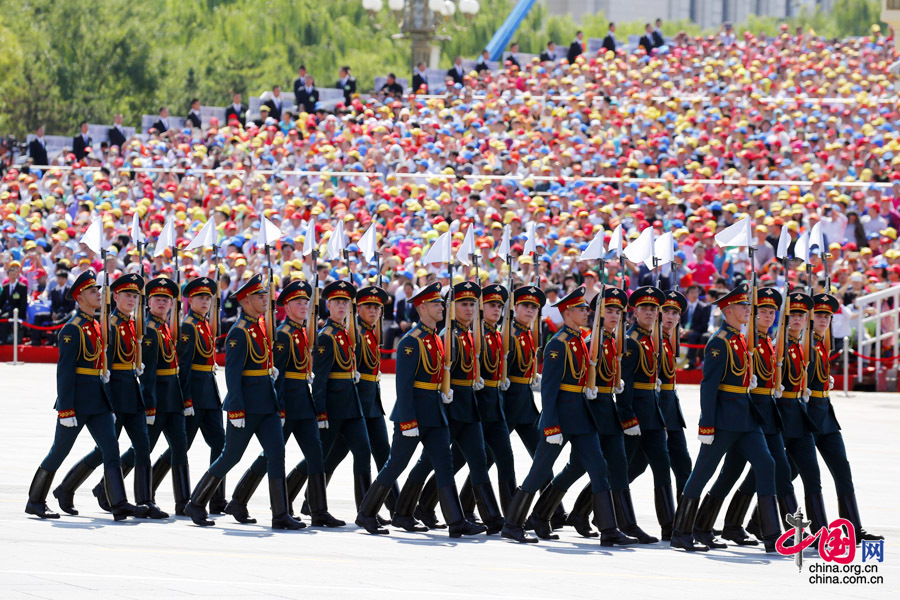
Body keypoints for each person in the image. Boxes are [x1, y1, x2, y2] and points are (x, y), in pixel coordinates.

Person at [500, 286, 634, 546]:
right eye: (581, 309)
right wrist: (550, 425)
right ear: (567, 312)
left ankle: (608, 529)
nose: (587, 313)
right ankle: (512, 524)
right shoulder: (557, 345)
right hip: (560, 418)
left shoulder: (579, 340)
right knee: (539, 472)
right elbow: (549, 391)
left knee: (599, 468)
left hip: (582, 417)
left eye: (586, 308)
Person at [355, 282, 487, 538]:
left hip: (435, 413)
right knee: (396, 465)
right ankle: (366, 513)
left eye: (441, 302)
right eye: (437, 303)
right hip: (414, 415)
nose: (441, 307)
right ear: (422, 307)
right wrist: (407, 420)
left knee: (444, 464)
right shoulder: (410, 341)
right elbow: (404, 387)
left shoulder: (435, 338)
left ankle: (455, 521)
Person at [183, 274, 302, 529]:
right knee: (230, 456)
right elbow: (233, 375)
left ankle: (280, 514)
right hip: (246, 406)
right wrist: (236, 409)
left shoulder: (259, 326)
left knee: (276, 454)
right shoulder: (239, 332)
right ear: (247, 300)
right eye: (260, 297)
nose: (265, 300)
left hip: (266, 404)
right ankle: (196, 502)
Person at [25, 270, 144, 521]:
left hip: (98, 401)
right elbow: (65, 372)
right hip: (77, 402)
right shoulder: (72, 329)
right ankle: (35, 500)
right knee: (60, 450)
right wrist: (66, 409)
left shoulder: (96, 325)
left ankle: (119, 503)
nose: (99, 294)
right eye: (92, 291)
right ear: (79, 297)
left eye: (98, 290)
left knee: (111, 448)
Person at [670, 283, 781, 553]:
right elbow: (709, 386)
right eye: (744, 306)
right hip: (723, 420)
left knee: (767, 465)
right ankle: (682, 531)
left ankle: (771, 535)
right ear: (729, 310)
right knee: (702, 474)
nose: (748, 310)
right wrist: (706, 423)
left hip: (746, 417)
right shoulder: (719, 342)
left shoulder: (741, 339)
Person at [540, 288, 656, 543]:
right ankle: (544, 514)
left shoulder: (613, 340)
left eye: (618, 312)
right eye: (610, 311)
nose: (615, 316)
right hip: (590, 410)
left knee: (615, 465)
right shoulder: (592, 340)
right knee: (579, 468)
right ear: (598, 314)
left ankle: (623, 523)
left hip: (607, 409)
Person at [225, 279, 344, 527]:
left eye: (306, 302)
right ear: (286, 307)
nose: (303, 306)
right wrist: (278, 407)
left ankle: (318, 510)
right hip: (286, 404)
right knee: (271, 455)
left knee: (315, 454)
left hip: (303, 402)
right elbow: (275, 375)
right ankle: (240, 499)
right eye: (297, 302)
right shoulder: (282, 334)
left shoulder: (302, 332)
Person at [392, 281, 504, 533]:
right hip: (448, 408)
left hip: (468, 406)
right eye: (463, 304)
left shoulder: (466, 334)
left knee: (477, 459)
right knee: (431, 463)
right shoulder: (446, 335)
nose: (469, 308)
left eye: (472, 304)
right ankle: (408, 509)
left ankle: (491, 517)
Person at [52, 274, 166, 519]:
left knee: (143, 445)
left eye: (135, 296)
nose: (132, 300)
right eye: (127, 295)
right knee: (104, 450)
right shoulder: (108, 324)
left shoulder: (130, 324)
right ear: (115, 297)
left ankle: (145, 500)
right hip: (112, 393)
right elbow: (100, 362)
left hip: (131, 392)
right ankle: (67, 488)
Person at [690, 287, 797, 548]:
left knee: (760, 467)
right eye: (759, 310)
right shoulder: (733, 340)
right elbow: (710, 385)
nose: (765, 315)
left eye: (772, 312)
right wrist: (707, 423)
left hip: (753, 415)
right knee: (712, 472)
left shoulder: (750, 340)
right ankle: (692, 529)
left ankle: (763, 533)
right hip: (732, 416)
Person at [104, 277, 192, 514]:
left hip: (164, 395)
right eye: (157, 299)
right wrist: (149, 405)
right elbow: (141, 372)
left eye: (167, 299)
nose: (162, 303)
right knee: (108, 449)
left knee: (159, 446)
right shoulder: (139, 328)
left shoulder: (155, 327)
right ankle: (100, 490)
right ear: (149, 302)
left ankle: (162, 501)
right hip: (139, 396)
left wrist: (185, 399)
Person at [807, 293, 882, 542]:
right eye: (819, 314)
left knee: (842, 470)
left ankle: (853, 528)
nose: (824, 319)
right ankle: (756, 521)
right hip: (804, 417)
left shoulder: (820, 342)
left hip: (825, 416)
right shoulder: (800, 342)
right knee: (792, 475)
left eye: (828, 316)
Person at [151, 278, 225, 513]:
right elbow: (183, 365)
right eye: (200, 298)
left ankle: (216, 498)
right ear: (189, 300)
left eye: (208, 298)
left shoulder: (204, 324)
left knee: (220, 444)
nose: (205, 302)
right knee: (181, 446)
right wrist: (186, 398)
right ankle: (152, 486)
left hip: (209, 392)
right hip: (194, 392)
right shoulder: (188, 326)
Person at [619, 286, 675, 540]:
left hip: (652, 413)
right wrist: (628, 417)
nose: (650, 312)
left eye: (654, 308)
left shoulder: (655, 339)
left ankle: (669, 526)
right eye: (645, 308)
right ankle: (598, 512)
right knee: (623, 469)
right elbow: (625, 384)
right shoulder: (630, 339)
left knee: (661, 466)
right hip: (635, 415)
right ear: (635, 311)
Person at [628, 290, 693, 499]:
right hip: (649, 411)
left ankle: (684, 521)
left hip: (669, 410)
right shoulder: (648, 339)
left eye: (676, 313)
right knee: (633, 467)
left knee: (682, 464)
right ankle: (585, 510)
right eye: (666, 311)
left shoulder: (667, 340)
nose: (671, 317)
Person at [681, 284, 711, 368]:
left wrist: (690, 331)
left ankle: (691, 361)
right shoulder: (684, 307)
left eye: (696, 292)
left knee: (692, 336)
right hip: (684, 331)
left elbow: (704, 324)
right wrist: (681, 330)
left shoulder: (704, 307)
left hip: (696, 331)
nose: (694, 295)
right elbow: (679, 321)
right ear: (687, 294)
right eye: (692, 292)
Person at [0, 260, 28, 344]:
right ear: (8, 275)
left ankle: (2, 339)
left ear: (17, 275)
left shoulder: (22, 287)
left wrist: (21, 313)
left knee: (4, 317)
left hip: (16, 310)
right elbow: (2, 301)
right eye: (10, 274)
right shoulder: (6, 287)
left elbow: (23, 302)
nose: (12, 276)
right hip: (7, 309)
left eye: (14, 274)